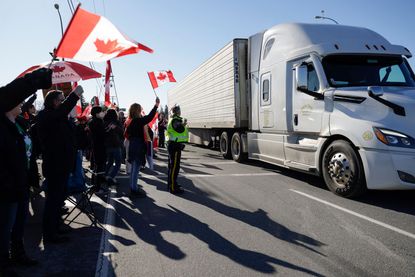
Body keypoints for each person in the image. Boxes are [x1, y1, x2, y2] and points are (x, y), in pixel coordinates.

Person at [0, 68, 52, 275]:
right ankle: (3, 263)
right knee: (4, 227)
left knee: (19, 224)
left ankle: (18, 253)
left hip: (22, 183)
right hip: (6, 187)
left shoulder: (19, 123)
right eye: (17, 101)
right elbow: (11, 93)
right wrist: (35, 79)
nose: (21, 104)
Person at [37, 86, 84, 244]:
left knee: (59, 200)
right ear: (53, 102)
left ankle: (56, 226)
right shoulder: (46, 115)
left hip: (63, 165)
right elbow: (59, 113)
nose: (63, 102)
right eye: (61, 99)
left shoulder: (61, 117)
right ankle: (49, 234)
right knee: (53, 200)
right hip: (54, 165)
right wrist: (74, 96)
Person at [126, 97, 159, 197]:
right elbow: (149, 117)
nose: (141, 111)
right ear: (137, 111)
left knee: (134, 170)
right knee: (135, 170)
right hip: (137, 146)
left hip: (133, 146)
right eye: (140, 109)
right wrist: (156, 106)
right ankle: (134, 190)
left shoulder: (130, 121)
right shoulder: (137, 121)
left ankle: (133, 188)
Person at [166, 105, 189, 194]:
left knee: (174, 166)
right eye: (179, 110)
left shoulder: (175, 119)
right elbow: (178, 129)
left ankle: (172, 184)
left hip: (175, 144)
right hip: (174, 145)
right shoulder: (174, 120)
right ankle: (172, 187)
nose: (180, 111)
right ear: (177, 111)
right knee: (174, 167)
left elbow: (178, 132)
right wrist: (183, 124)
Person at [88, 106, 107, 192]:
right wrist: (108, 130)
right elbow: (101, 134)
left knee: (97, 166)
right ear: (96, 113)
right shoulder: (97, 122)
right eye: (101, 112)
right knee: (99, 166)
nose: (103, 113)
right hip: (99, 147)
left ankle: (95, 185)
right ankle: (97, 187)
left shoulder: (92, 121)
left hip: (96, 146)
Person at [103, 109, 123, 186]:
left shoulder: (104, 122)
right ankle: (111, 177)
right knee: (118, 163)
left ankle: (104, 175)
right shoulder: (117, 122)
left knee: (110, 162)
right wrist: (116, 128)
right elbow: (122, 132)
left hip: (107, 145)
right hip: (115, 145)